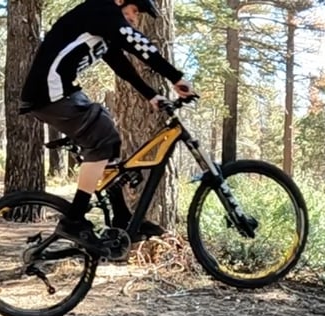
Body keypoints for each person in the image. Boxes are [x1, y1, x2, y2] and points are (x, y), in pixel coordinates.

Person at [19, 0, 195, 255]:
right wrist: (176, 77)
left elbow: (121, 65)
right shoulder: (102, 11)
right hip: (49, 92)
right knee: (104, 135)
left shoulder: (104, 29)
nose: (135, 19)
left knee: (109, 146)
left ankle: (122, 217)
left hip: (58, 92)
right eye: (134, 11)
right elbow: (141, 46)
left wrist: (151, 95)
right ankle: (74, 220)